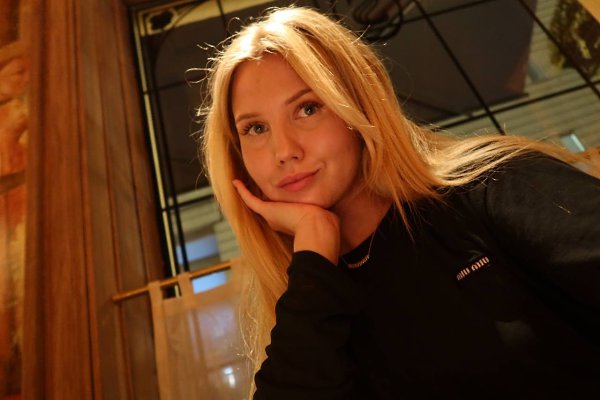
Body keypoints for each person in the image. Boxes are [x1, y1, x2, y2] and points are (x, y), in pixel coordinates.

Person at [200, 6, 600, 399]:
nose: (284, 150)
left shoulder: (492, 185)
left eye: (308, 108)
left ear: (357, 105)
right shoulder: (310, 305)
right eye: (256, 128)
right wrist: (313, 253)